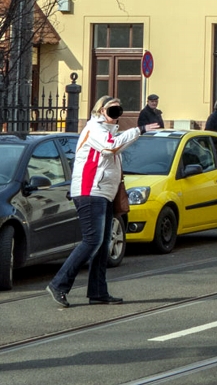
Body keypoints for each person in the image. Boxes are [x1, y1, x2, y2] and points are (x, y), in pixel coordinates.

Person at [47, 96, 159, 307]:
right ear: (100, 110)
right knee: (92, 240)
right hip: (90, 191)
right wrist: (139, 130)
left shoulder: (107, 131)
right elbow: (111, 147)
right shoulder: (95, 129)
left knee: (102, 243)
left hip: (103, 193)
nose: (116, 113)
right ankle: (58, 284)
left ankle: (98, 291)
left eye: (118, 109)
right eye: (112, 109)